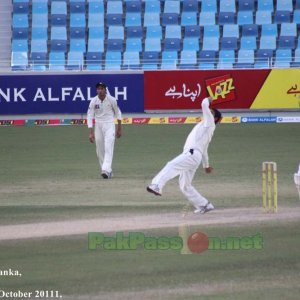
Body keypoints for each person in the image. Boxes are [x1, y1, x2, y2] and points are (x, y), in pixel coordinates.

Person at [147, 97, 222, 214]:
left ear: (215, 118)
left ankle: (157, 185)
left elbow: (203, 104)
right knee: (185, 186)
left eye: (211, 112)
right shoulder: (206, 127)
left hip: (191, 154)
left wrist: (208, 99)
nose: (208, 112)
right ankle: (205, 205)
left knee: (171, 165)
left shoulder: (209, 122)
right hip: (195, 156)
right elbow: (205, 150)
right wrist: (206, 166)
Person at [87, 82, 122, 179]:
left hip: (109, 125)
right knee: (99, 149)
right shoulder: (93, 101)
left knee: (108, 147)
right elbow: (90, 116)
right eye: (98, 88)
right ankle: (107, 171)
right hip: (98, 126)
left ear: (105, 90)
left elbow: (118, 113)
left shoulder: (112, 100)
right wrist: (90, 132)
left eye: (102, 88)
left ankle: (105, 169)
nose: (100, 90)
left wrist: (119, 128)